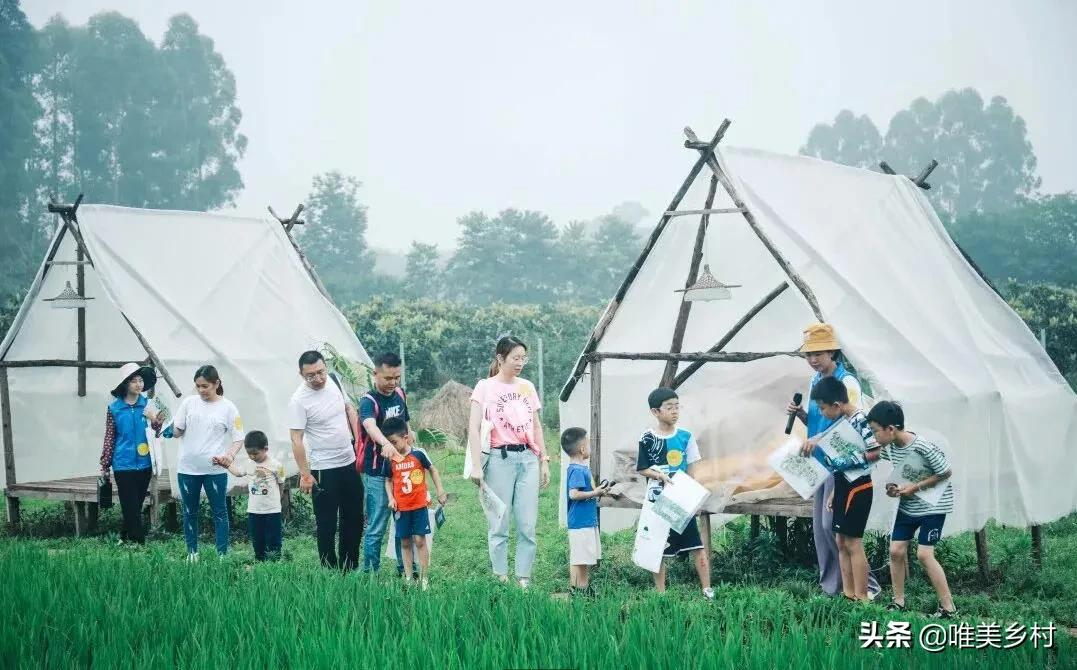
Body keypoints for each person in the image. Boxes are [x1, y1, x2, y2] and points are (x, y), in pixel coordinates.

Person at [786, 322, 880, 598]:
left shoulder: (846, 382)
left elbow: (849, 423)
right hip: (819, 460)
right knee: (820, 529)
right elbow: (821, 420)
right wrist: (802, 415)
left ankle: (866, 587)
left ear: (833, 352)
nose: (813, 360)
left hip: (840, 463)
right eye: (809, 355)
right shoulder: (816, 381)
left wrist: (819, 440)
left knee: (835, 528)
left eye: (819, 354)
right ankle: (832, 588)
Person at [467, 335, 551, 589]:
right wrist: (475, 465)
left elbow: (536, 424)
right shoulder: (485, 387)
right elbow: (473, 427)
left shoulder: (527, 386)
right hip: (498, 459)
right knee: (499, 521)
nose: (520, 363)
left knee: (527, 523)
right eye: (515, 358)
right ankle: (500, 577)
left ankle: (523, 579)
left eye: (523, 358)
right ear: (500, 358)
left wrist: (544, 460)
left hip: (527, 458)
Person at [867, 401, 957, 618]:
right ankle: (898, 602)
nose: (874, 437)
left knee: (925, 555)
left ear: (891, 429)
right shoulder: (889, 449)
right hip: (908, 506)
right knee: (895, 551)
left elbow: (945, 472)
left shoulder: (922, 446)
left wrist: (914, 487)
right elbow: (900, 474)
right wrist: (893, 488)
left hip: (932, 507)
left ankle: (948, 608)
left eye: (875, 431)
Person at [803, 376, 881, 601]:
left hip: (859, 486)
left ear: (836, 405)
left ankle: (863, 595)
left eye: (823, 408)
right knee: (840, 541)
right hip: (842, 484)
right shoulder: (844, 421)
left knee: (853, 542)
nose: (822, 413)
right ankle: (848, 593)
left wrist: (847, 460)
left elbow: (875, 452)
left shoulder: (860, 420)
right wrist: (835, 491)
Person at [636, 388, 714, 599]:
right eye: (669, 407)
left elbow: (692, 470)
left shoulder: (686, 436)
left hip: (680, 496)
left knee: (697, 544)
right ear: (655, 411)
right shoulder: (647, 438)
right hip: (658, 497)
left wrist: (692, 497)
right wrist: (659, 476)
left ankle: (707, 589)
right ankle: (661, 593)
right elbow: (642, 467)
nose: (674, 411)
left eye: (677, 406)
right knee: (658, 544)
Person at [288, 350, 363, 570]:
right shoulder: (299, 401)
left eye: (320, 372)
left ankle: (350, 565)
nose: (318, 378)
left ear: (325, 368)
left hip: (349, 461)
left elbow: (349, 409)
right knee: (327, 522)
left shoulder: (334, 381)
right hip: (323, 468)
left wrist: (358, 442)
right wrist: (305, 474)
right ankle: (329, 569)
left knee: (354, 517)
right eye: (310, 375)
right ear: (301, 375)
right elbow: (296, 439)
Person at [172, 365, 245, 561]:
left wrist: (229, 456)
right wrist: (164, 425)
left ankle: (222, 554)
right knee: (189, 512)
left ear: (216, 384)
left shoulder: (228, 407)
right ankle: (192, 553)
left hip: (215, 470)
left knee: (220, 511)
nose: (202, 390)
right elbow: (177, 431)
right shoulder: (188, 404)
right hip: (187, 469)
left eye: (205, 386)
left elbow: (238, 438)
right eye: (198, 386)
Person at [357, 352, 413, 575]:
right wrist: (384, 444)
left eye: (396, 377)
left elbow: (406, 423)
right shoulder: (368, 402)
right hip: (378, 473)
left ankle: (407, 570)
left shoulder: (400, 394)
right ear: (375, 374)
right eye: (388, 378)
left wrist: (411, 438)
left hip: (401, 471)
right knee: (377, 526)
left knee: (403, 523)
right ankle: (371, 573)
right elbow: (370, 426)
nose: (393, 383)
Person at [99, 363, 164, 545]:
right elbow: (110, 436)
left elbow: (160, 432)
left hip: (145, 462)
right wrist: (105, 464)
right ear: (125, 384)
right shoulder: (114, 408)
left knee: (135, 503)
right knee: (129, 503)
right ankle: (138, 542)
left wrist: (154, 420)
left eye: (141, 380)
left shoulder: (150, 405)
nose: (139, 384)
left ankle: (124, 536)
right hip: (123, 463)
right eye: (134, 380)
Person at [383, 417, 447, 591]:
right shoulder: (390, 459)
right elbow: (388, 480)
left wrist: (440, 490)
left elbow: (432, 470)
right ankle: (409, 577)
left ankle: (424, 579)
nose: (392, 446)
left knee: (419, 540)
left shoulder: (419, 454)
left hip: (419, 506)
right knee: (404, 542)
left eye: (394, 442)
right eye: (389, 443)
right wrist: (391, 498)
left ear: (406, 437)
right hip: (401, 508)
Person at [561, 427, 608, 595]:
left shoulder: (581, 468)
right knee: (579, 558)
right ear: (582, 449)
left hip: (586, 520)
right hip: (580, 522)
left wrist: (597, 491)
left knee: (585, 558)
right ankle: (576, 589)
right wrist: (595, 492)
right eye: (588, 444)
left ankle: (583, 587)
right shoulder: (577, 470)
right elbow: (573, 494)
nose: (590, 447)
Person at [225, 431, 285, 562]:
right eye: (249, 453)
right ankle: (260, 560)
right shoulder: (249, 463)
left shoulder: (277, 465)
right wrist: (227, 464)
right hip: (254, 510)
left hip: (272, 510)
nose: (252, 456)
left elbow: (281, 483)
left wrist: (277, 500)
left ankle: (275, 561)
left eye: (256, 453)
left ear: (266, 449)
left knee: (273, 537)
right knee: (257, 538)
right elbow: (238, 473)